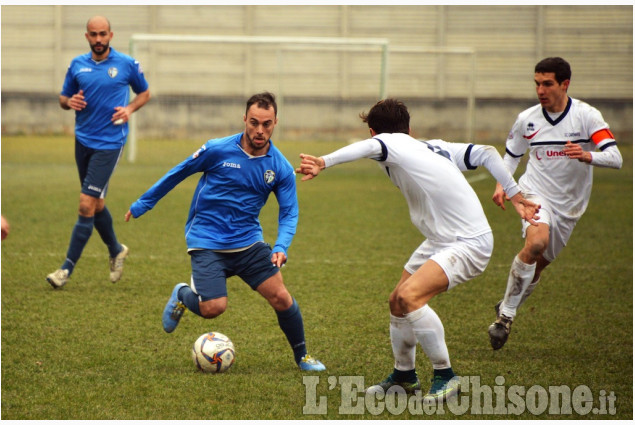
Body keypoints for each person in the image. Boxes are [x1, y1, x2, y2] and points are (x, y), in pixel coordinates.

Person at [296, 99, 539, 402]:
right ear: (410, 128)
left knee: (410, 298)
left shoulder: (388, 142)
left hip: (467, 242)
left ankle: (446, 376)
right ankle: (404, 376)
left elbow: (369, 148)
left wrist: (323, 161)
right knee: (397, 301)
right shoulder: (431, 146)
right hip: (441, 239)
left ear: (373, 132)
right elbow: (488, 153)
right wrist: (515, 195)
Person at [124, 92, 325, 372]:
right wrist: (143, 203)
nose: (259, 130)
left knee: (281, 296)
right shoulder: (217, 149)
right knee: (213, 309)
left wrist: (281, 246)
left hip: (247, 242)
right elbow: (179, 172)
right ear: (244, 119)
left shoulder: (279, 166)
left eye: (266, 124)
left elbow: (289, 212)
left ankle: (302, 356)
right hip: (207, 239)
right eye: (254, 122)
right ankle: (183, 294)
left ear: (275, 122)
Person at [487, 57, 623, 350]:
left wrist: (588, 155)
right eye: (537, 83)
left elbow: (616, 158)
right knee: (536, 243)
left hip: (570, 206)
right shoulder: (527, 119)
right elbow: (511, 156)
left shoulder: (587, 117)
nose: (540, 90)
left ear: (564, 84)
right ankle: (505, 318)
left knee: (536, 268)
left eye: (547, 84)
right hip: (534, 193)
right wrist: (502, 184)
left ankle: (507, 302)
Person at [46, 16, 151, 288]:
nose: (98, 39)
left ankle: (65, 270)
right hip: (83, 142)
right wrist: (70, 101)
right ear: (87, 37)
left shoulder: (126, 64)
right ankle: (116, 249)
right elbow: (62, 98)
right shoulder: (77, 65)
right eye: (93, 34)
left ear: (111, 35)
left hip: (110, 143)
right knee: (97, 203)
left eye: (103, 34)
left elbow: (144, 93)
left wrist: (129, 110)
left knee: (85, 203)